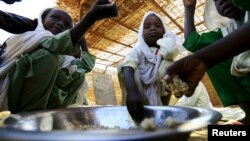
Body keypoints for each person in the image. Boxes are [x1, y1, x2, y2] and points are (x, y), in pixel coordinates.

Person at [0, 0, 118, 113]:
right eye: (55, 18)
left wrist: (83, 41)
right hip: (12, 98)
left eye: (67, 25)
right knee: (48, 56)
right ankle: (28, 120)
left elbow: (86, 66)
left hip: (48, 106)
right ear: (42, 20)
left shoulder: (65, 56)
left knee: (78, 75)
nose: (61, 24)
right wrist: (91, 17)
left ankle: (56, 114)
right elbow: (54, 44)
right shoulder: (31, 37)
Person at [165, 0, 250, 124]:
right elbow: (193, 43)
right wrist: (189, 7)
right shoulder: (227, 30)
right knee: (212, 56)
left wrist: (204, 57)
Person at [118, 11, 213, 121]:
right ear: (141, 33)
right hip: (138, 92)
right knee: (125, 69)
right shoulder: (138, 50)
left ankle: (163, 108)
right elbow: (127, 64)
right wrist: (131, 91)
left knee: (169, 65)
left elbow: (181, 54)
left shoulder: (167, 47)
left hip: (163, 90)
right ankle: (137, 110)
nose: (153, 28)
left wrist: (168, 44)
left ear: (164, 30)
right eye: (147, 26)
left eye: (158, 26)